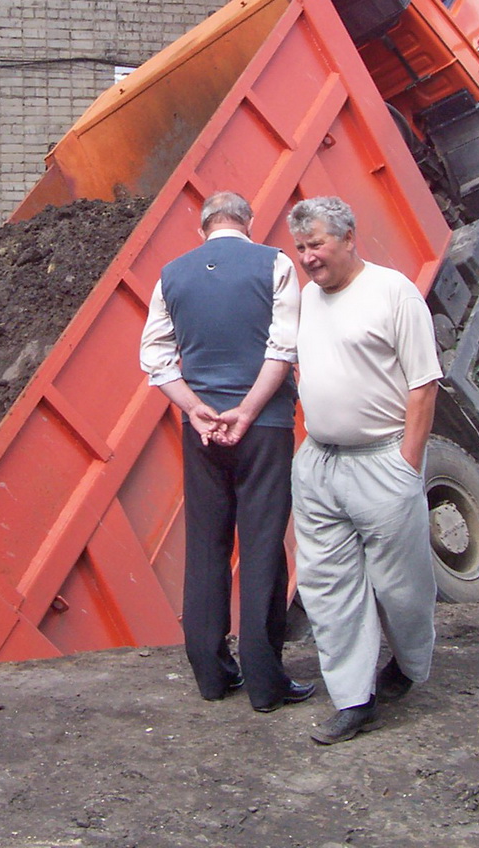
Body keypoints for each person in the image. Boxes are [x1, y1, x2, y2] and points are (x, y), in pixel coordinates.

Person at [138, 191, 313, 713]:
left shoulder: (171, 274)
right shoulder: (275, 263)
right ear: (249, 222)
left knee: (206, 546)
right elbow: (284, 347)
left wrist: (195, 408)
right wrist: (250, 409)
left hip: (203, 431)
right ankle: (265, 681)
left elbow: (154, 355)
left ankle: (212, 676)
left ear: (203, 228)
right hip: (265, 427)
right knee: (262, 548)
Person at [286, 196, 442, 746]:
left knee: (402, 588)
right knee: (328, 587)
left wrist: (407, 465)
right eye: (301, 247)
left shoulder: (392, 292)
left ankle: (411, 662)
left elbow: (424, 385)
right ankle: (355, 699)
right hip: (320, 465)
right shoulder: (306, 298)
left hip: (383, 464)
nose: (308, 258)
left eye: (317, 245)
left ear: (350, 238)